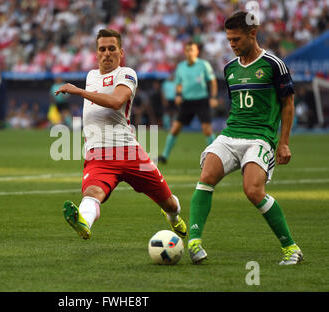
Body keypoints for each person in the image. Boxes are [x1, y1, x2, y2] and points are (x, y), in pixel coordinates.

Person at [187, 11, 303, 265]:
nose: (232, 44)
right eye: (229, 40)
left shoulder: (274, 65)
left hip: (260, 137)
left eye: (236, 39)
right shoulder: (230, 69)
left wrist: (283, 142)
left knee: (252, 190)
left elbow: (288, 103)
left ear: (253, 33)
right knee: (206, 177)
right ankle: (194, 242)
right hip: (231, 134)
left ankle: (291, 248)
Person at [55, 29, 186, 240]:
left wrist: (79, 92)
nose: (107, 53)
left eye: (111, 49)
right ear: (96, 53)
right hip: (98, 153)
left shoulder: (126, 74)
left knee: (169, 202)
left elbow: (116, 102)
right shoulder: (91, 76)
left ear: (121, 52)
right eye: (102, 49)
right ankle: (83, 223)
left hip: (129, 151)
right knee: (92, 194)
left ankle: (172, 217)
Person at [158, 42, 218, 164]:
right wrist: (178, 95)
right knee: (175, 129)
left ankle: (216, 156)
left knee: (207, 130)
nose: (189, 52)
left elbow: (213, 82)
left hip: (201, 101)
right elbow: (179, 84)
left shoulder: (203, 65)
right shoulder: (181, 67)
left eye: (192, 50)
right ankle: (164, 156)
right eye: (187, 50)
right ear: (185, 52)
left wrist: (213, 97)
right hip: (186, 102)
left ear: (197, 52)